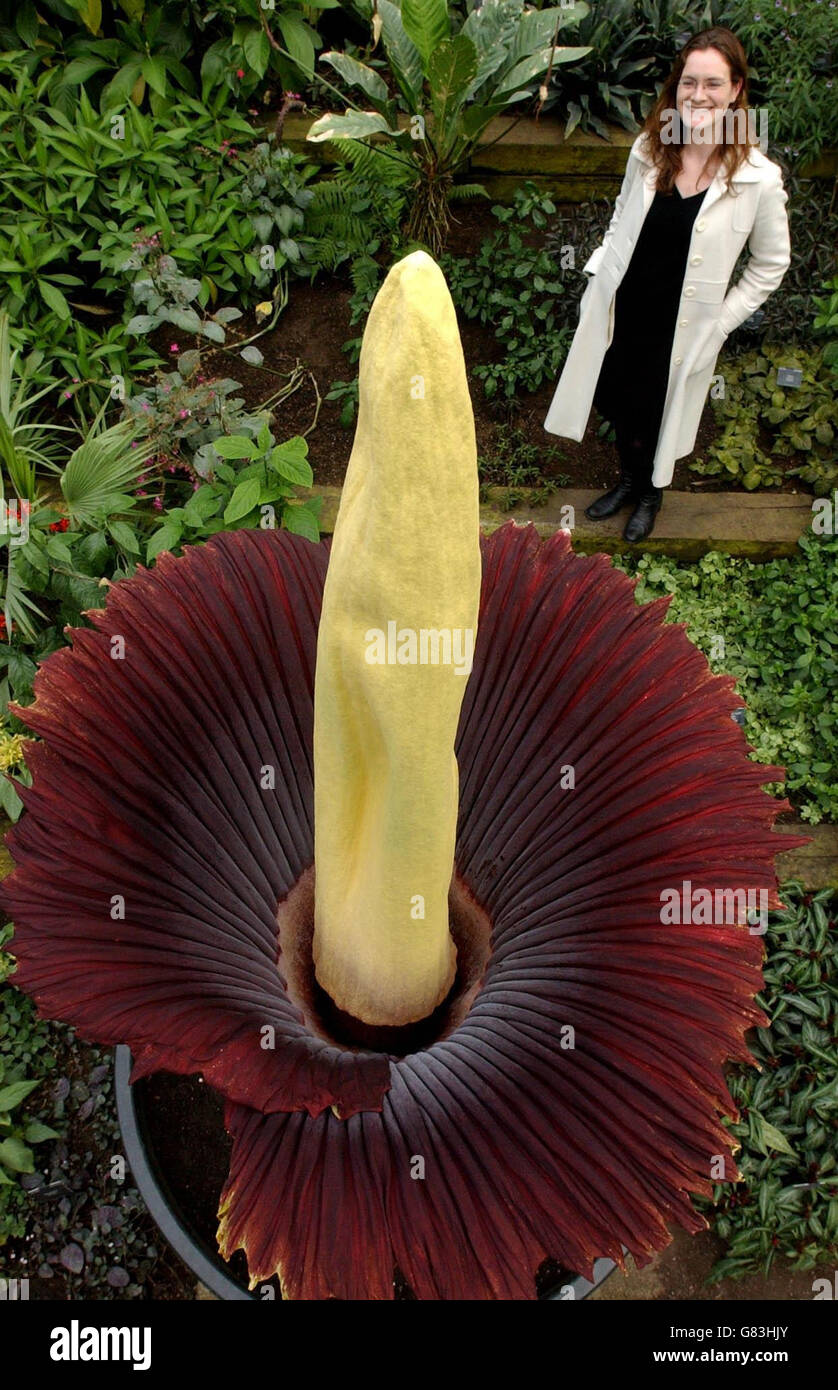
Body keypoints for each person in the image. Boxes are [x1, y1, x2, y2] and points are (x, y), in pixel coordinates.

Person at [543, 27, 791, 542]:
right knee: (616, 396)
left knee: (659, 404)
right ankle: (629, 480)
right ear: (676, 87)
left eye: (713, 84)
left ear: (737, 90)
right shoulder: (651, 149)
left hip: (683, 322)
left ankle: (651, 494)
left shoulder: (757, 180)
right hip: (624, 305)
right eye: (689, 82)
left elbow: (771, 264)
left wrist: (720, 323)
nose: (698, 95)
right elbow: (619, 218)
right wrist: (599, 275)